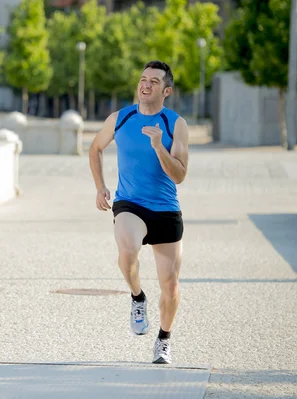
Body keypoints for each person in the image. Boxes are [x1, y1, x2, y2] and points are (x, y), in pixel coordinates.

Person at [88, 60, 189, 364]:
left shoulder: (175, 124)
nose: (146, 85)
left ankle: (164, 339)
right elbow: (95, 149)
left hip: (166, 208)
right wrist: (100, 186)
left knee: (170, 285)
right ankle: (137, 297)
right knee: (127, 248)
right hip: (129, 203)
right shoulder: (120, 118)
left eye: (154, 82)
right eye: (143, 79)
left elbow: (180, 175)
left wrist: (159, 146)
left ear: (166, 90)